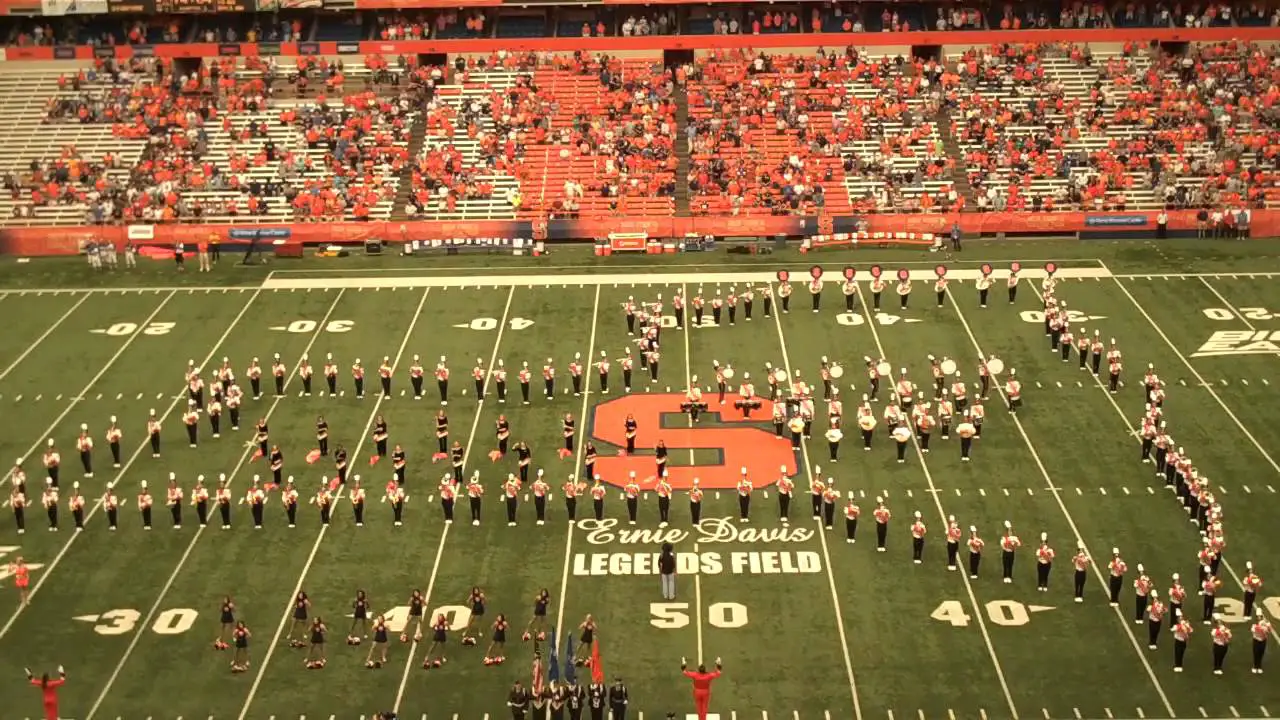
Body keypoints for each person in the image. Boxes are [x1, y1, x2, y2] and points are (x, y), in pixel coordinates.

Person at [681, 656, 722, 720]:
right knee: (704, 707)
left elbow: (684, 672)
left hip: (697, 692)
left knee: (699, 707)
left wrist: (684, 664)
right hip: (705, 692)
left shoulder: (695, 675)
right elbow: (718, 673)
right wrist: (718, 664)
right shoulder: (708, 676)